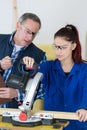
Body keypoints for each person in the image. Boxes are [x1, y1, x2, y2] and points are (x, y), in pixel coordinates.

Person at [23, 24, 87, 129]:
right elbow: (33, 71)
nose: (58, 51)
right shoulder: (48, 67)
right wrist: (28, 65)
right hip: (52, 124)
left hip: (77, 124)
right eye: (56, 46)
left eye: (63, 47)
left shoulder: (84, 70)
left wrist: (84, 108)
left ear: (73, 46)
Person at [0, 13, 46, 108]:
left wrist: (17, 94)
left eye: (34, 34)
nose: (30, 38)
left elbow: (41, 91)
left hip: (15, 114)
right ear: (18, 26)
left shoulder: (40, 56)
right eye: (27, 31)